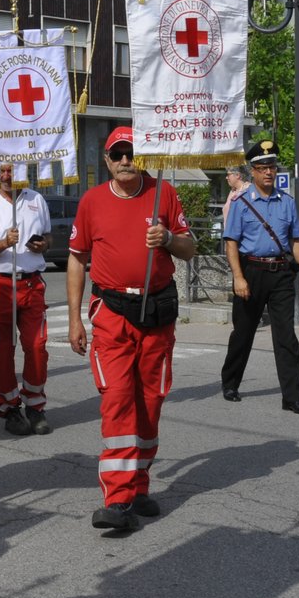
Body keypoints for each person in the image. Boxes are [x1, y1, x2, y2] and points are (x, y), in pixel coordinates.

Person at [65, 126, 195, 532]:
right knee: (118, 398)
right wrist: (73, 318)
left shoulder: (164, 193)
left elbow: (190, 249)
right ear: (106, 160)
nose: (125, 160)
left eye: (131, 153)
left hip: (158, 311)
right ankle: (117, 499)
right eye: (117, 154)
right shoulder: (91, 202)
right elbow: (76, 260)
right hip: (113, 314)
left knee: (150, 402)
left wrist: (169, 238)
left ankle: (139, 485)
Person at [222, 138, 299, 414]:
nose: (268, 172)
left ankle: (292, 397)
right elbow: (231, 243)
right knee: (244, 331)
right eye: (262, 167)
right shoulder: (241, 203)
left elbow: (296, 241)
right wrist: (238, 278)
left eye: (272, 166)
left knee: (286, 335)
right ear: (253, 171)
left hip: (281, 274)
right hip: (250, 272)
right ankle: (230, 382)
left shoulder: (287, 203)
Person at [0, 161, 52, 435]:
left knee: (37, 347)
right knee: (3, 350)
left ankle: (35, 404)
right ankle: (9, 406)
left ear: (24, 172)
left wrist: (43, 244)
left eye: (13, 171)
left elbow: (48, 237)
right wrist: (5, 242)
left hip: (31, 283)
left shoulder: (37, 199)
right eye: (3, 171)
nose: (7, 176)